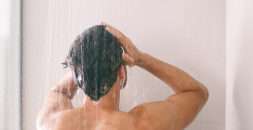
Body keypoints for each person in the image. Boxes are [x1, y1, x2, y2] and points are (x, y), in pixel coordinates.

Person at [36, 23, 209, 130]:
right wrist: (141, 59)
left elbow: (58, 92)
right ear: (122, 71)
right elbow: (196, 93)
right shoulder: (143, 124)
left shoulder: (50, 123)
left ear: (76, 74)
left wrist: (85, 66)